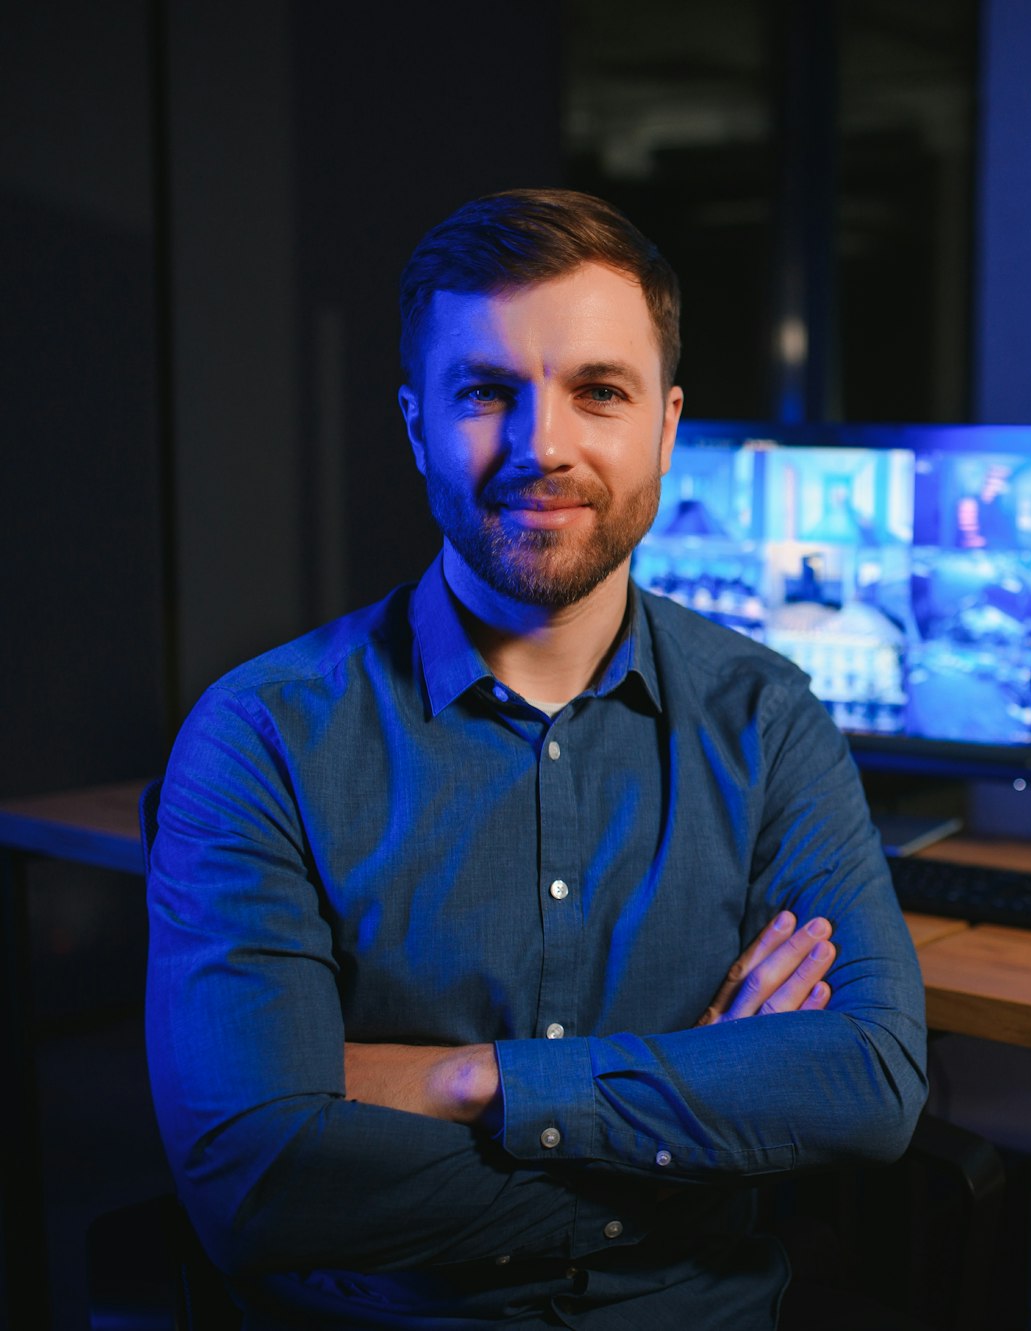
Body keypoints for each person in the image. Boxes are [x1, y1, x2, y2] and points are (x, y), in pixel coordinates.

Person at [145, 188, 928, 1328]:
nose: (541, 444)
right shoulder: (261, 735)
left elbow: (868, 1085)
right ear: (416, 423)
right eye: (486, 392)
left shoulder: (766, 715)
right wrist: (702, 1133)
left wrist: (471, 1080)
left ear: (663, 427)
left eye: (597, 392)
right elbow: (255, 1183)